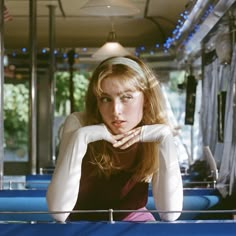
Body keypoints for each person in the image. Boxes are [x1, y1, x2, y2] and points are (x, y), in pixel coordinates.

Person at [46, 55, 183, 222]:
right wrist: (81, 138)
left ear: (146, 99)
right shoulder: (79, 124)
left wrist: (165, 137)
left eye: (126, 97)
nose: (116, 110)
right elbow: (58, 212)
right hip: (79, 227)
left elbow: (171, 214)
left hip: (134, 226)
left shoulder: (155, 133)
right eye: (105, 99)